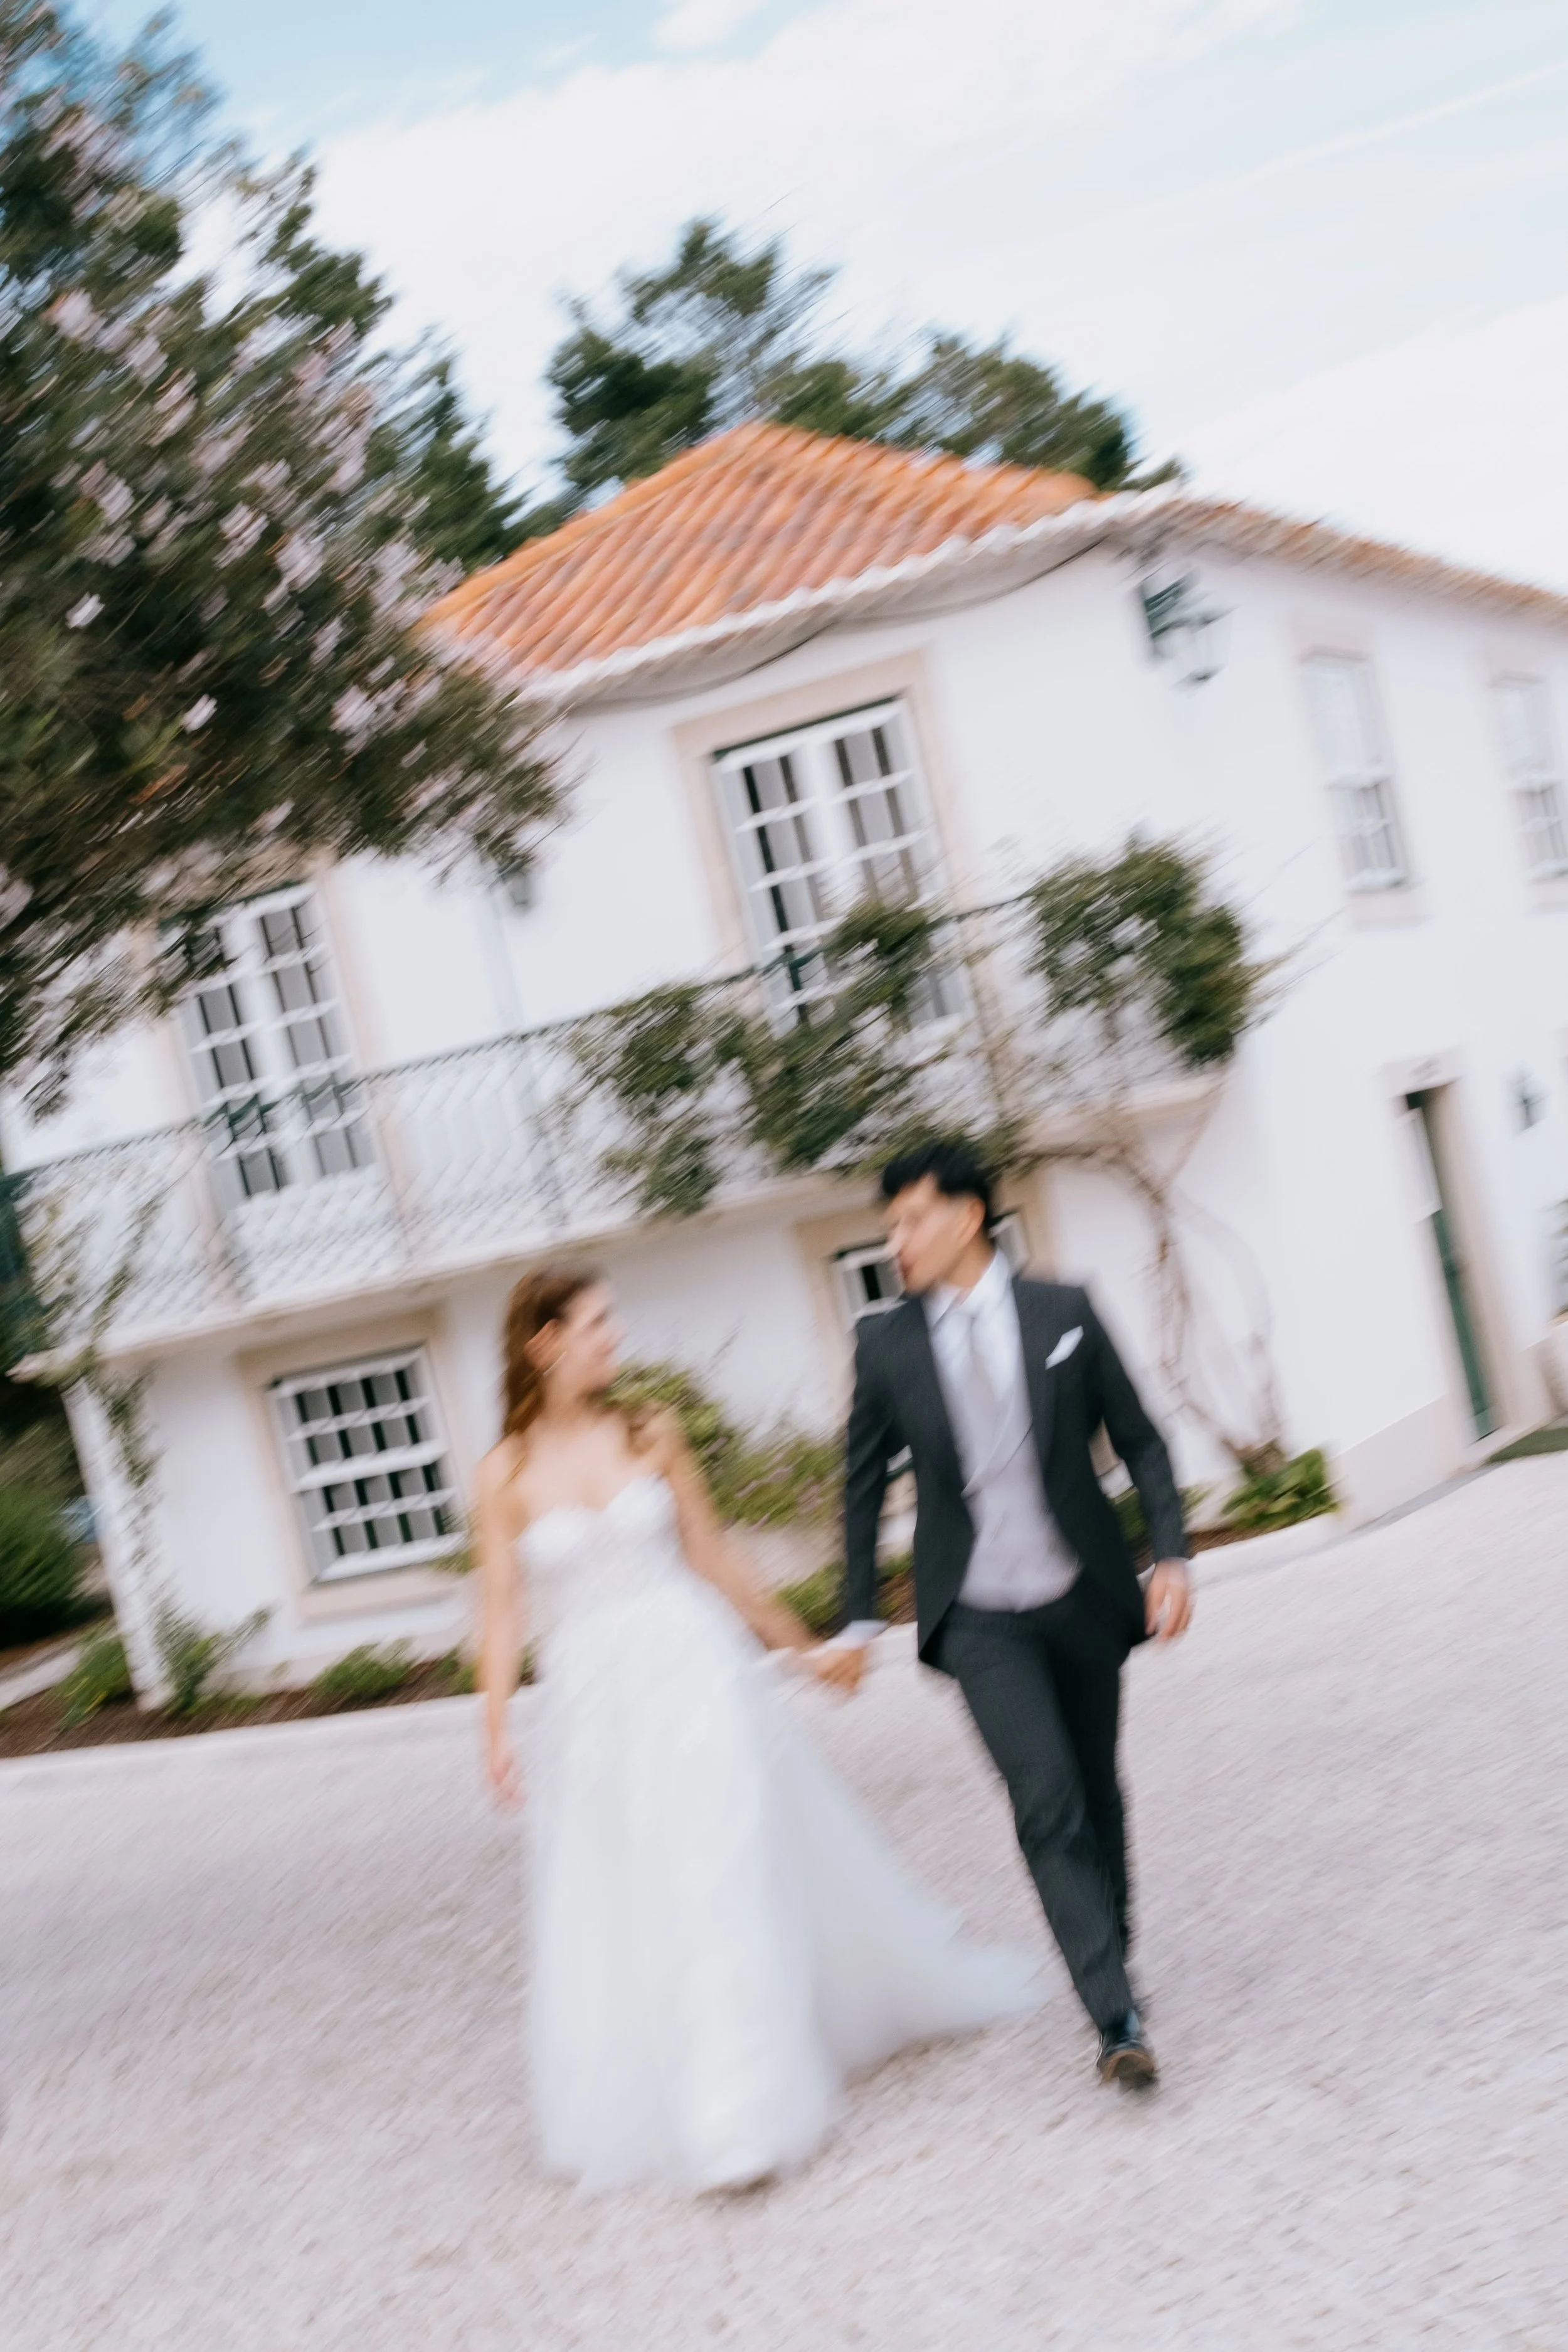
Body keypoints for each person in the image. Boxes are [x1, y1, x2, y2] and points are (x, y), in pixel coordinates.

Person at [474, 1265, 1045, 2195]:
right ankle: (670, 2078)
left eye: (612, 1318)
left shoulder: (648, 1429)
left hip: (693, 1672)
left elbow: (713, 1557)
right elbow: (501, 1610)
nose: (612, 1335)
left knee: (719, 1866)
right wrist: (495, 1725)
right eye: (593, 1324)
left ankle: (739, 2106)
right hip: (594, 1704)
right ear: (543, 1341)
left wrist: (800, 1647)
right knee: (630, 1888)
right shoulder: (502, 1472)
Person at [837, 1140, 1194, 2089]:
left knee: (1094, 1786)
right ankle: (1113, 2012)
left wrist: (1173, 1555)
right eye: (889, 1226)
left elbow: (1144, 1441)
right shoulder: (885, 1342)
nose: (896, 1240)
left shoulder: (1062, 1310)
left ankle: (1108, 1946)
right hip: (979, 1612)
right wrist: (858, 1618)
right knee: (1045, 1796)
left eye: (910, 1219)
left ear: (965, 1215)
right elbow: (861, 1484)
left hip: (1082, 1594)